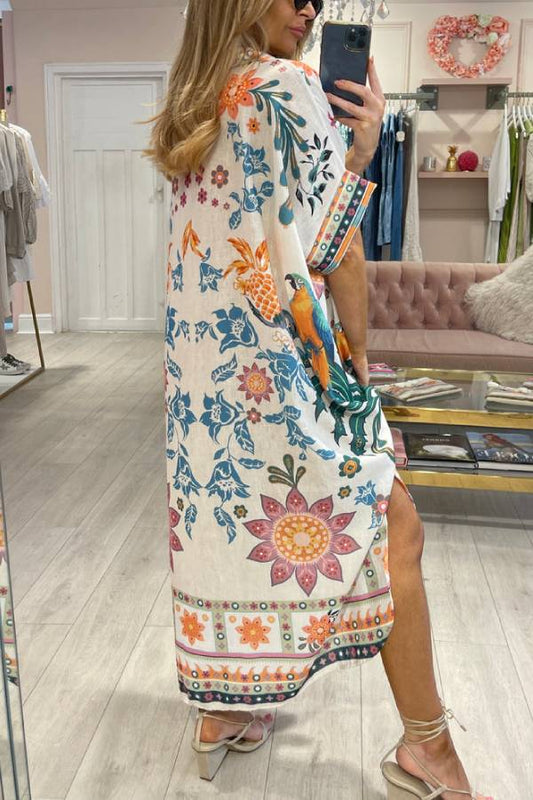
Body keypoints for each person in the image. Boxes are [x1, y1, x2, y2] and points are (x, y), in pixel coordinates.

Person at [144, 2, 493, 797]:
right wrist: (360, 155)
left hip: (203, 385)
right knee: (393, 526)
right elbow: (331, 249)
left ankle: (222, 711)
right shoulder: (286, 85)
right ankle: (428, 748)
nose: (307, 9)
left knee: (228, 529)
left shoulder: (193, 101)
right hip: (279, 373)